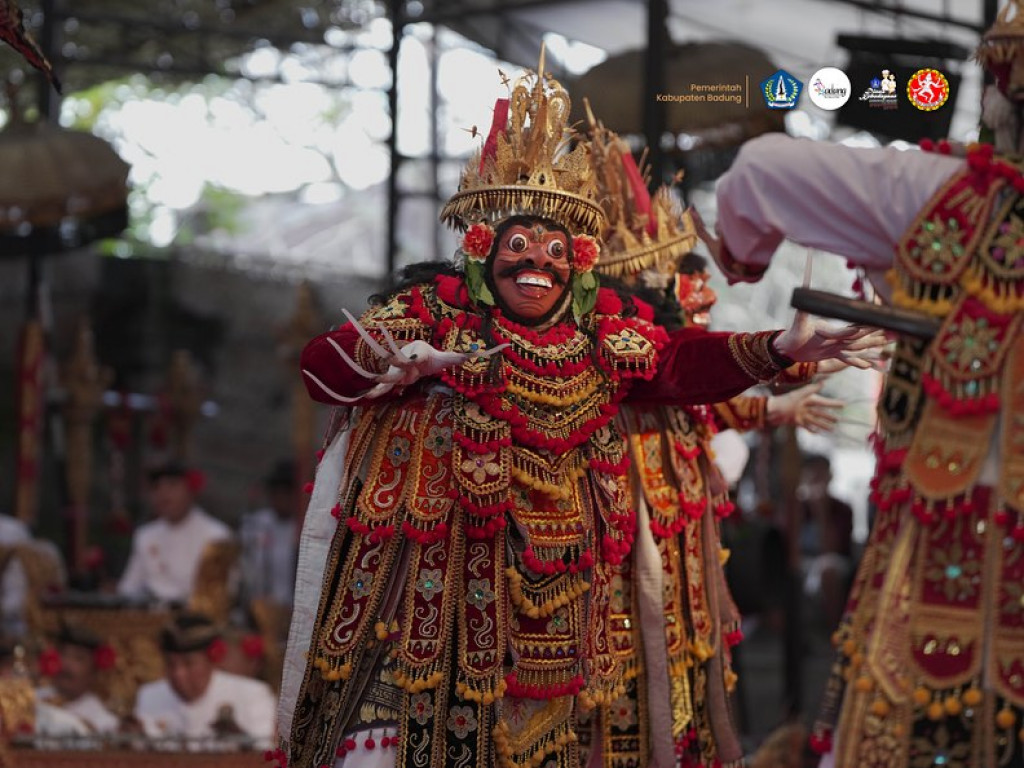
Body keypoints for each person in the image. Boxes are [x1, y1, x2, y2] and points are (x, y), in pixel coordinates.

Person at [278, 55, 882, 768]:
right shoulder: (432, 313)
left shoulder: (601, 336)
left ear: (579, 262)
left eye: (556, 249)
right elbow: (322, 365)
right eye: (519, 245)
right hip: (432, 603)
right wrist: (391, 360)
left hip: (571, 599)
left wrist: (778, 346)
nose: (537, 261)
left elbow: (677, 364)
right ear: (483, 250)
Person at [693, 4, 1024, 765]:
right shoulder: (945, 194)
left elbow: (762, 175)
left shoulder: (942, 195)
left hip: (962, 596)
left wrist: (744, 263)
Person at [586, 120, 846, 767]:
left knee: (681, 706)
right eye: (689, 290)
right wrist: (778, 366)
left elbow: (708, 403)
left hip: (680, 575)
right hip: (611, 573)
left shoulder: (680, 370)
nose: (703, 299)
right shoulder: (615, 355)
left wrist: (779, 406)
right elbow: (678, 372)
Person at [134, 612, 276, 747]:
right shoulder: (150, 696)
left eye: (188, 664)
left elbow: (267, 752)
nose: (178, 674)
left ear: (213, 659)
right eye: (171, 664)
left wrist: (241, 739)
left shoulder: (252, 695)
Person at [118, 462, 232, 603]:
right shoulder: (145, 535)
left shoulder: (216, 535)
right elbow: (129, 588)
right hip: (151, 615)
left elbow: (222, 593)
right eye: (156, 487)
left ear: (191, 491)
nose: (163, 494)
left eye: (172, 485)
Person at [796, 454, 854, 632]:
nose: (816, 480)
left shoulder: (842, 509)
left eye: (821, 474)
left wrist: (821, 512)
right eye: (812, 474)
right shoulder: (797, 509)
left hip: (833, 560)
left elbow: (832, 547)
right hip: (804, 561)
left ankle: (834, 634)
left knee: (828, 570)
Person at [36, 623, 119, 734]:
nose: (66, 664)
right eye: (63, 655)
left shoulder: (104, 723)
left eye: (78, 658)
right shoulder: (32, 700)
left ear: (94, 673)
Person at [240, 460, 300, 608]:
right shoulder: (255, 524)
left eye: (286, 493)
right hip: (259, 606)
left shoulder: (305, 528)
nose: (280, 498)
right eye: (276, 492)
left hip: (292, 608)